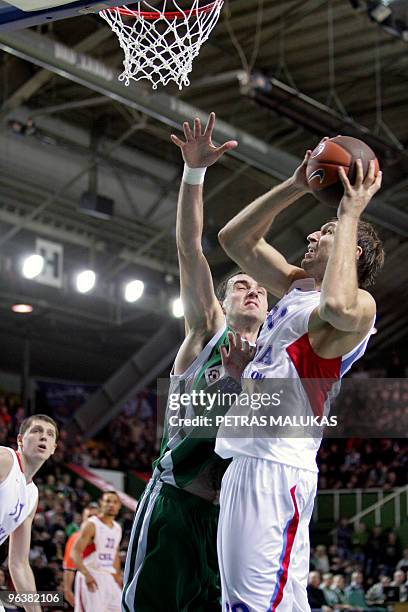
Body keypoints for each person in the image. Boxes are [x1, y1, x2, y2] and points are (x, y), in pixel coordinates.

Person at [215, 143, 385, 611]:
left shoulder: (360, 307)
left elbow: (338, 304)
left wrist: (349, 211)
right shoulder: (295, 287)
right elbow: (234, 240)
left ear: (351, 250)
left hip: (277, 468)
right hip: (248, 461)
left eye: (326, 232)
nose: (312, 234)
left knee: (254, 607)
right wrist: (293, 185)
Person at [122, 113, 268, 612]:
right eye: (241, 285)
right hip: (175, 505)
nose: (252, 288)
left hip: (227, 521)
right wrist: (194, 174)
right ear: (223, 303)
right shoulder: (208, 331)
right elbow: (189, 249)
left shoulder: (271, 363)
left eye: (259, 288)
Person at [0, 414, 58, 612]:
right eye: (36, 431)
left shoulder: (32, 496)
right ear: (19, 440)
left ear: (53, 449)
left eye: (50, 435)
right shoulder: (5, 460)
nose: (44, 437)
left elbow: (19, 564)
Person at [71, 490, 122, 612]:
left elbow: (114, 555)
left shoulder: (117, 528)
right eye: (108, 501)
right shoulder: (92, 524)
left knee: (123, 608)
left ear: (119, 506)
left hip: (108, 576)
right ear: (101, 503)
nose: (111, 505)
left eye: (115, 502)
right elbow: (75, 552)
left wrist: (117, 578)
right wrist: (86, 574)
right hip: (91, 574)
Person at [62, 502, 99, 607]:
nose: (92, 520)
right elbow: (69, 567)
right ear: (83, 519)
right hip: (87, 584)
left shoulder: (109, 534)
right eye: (89, 516)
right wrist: (67, 589)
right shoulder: (75, 538)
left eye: (95, 516)